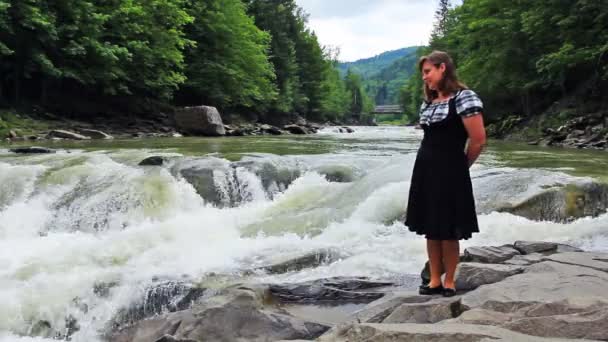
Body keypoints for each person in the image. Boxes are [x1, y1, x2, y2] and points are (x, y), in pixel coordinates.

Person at [405, 50, 486, 297]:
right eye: (423, 73)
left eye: (428, 72)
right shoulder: (428, 103)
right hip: (425, 170)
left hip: (451, 171)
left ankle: (450, 280)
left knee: (450, 229)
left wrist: (462, 167)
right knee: (431, 226)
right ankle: (434, 280)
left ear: (443, 69)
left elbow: (478, 140)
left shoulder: (464, 97)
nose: (424, 78)